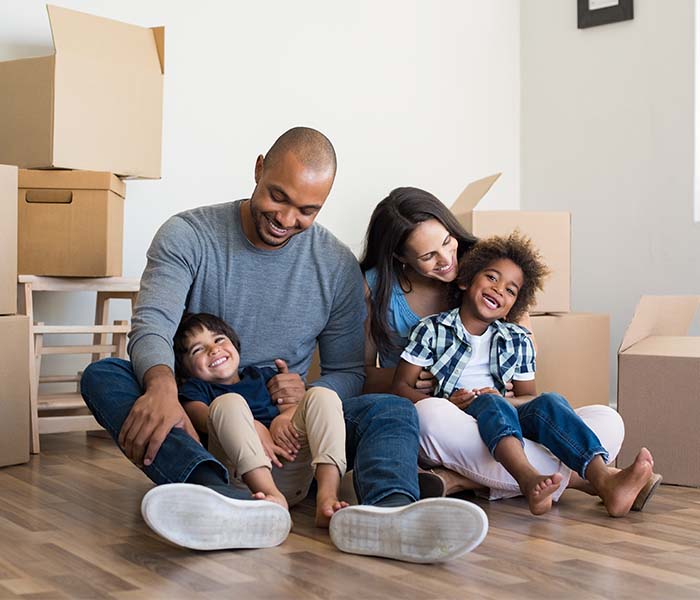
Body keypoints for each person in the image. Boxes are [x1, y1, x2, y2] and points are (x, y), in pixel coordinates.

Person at [81, 127, 488, 562]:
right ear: (259, 169)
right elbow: (153, 324)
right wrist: (162, 387)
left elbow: (348, 371)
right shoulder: (188, 235)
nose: (286, 218)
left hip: (293, 431)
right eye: (278, 197)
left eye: (307, 210)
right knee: (105, 376)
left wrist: (302, 401)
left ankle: (388, 512)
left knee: (391, 408)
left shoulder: (334, 266)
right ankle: (211, 491)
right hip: (202, 412)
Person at [360, 187, 661, 511]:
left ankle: (458, 479)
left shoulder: (493, 271)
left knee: (607, 420)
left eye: (447, 241)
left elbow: (527, 391)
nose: (448, 260)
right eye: (428, 256)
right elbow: (363, 376)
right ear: (401, 258)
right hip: (442, 418)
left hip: (504, 414)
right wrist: (430, 384)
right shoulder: (402, 307)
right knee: (432, 415)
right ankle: (590, 481)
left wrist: (506, 399)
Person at [173, 311, 348, 527]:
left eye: (219, 339)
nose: (214, 349)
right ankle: (271, 497)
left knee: (323, 395)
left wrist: (283, 418)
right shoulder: (195, 389)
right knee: (229, 402)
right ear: (185, 369)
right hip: (245, 480)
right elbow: (202, 419)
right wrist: (252, 426)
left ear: (235, 346)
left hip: (291, 466)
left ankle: (328, 498)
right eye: (198, 349)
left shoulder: (262, 376)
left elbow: (295, 408)